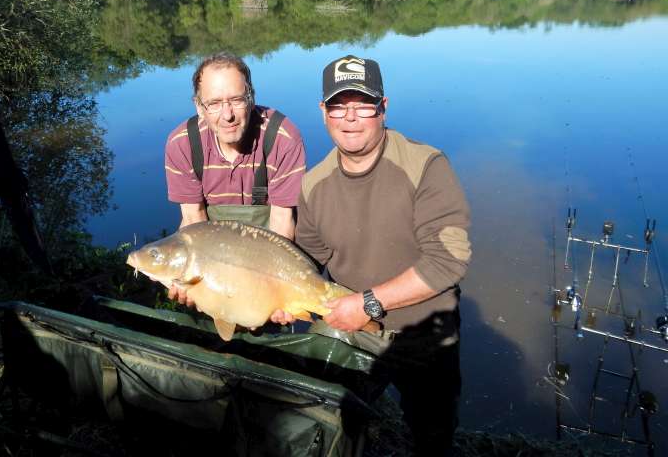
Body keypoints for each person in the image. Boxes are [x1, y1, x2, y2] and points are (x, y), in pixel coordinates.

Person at [273, 55, 471, 456]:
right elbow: (306, 262)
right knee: (328, 423)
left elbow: (449, 260)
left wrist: (369, 302)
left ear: (383, 106)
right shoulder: (313, 185)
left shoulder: (425, 166)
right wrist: (279, 297)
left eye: (362, 104)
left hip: (422, 332)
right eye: (338, 105)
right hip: (348, 327)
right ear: (323, 112)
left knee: (432, 437)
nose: (350, 118)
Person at [164, 51, 305, 238]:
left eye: (236, 100)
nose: (227, 115)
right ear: (199, 107)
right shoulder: (183, 144)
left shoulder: (282, 139)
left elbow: (282, 221)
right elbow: (193, 218)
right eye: (214, 103)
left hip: (269, 247)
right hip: (211, 244)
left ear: (251, 99)